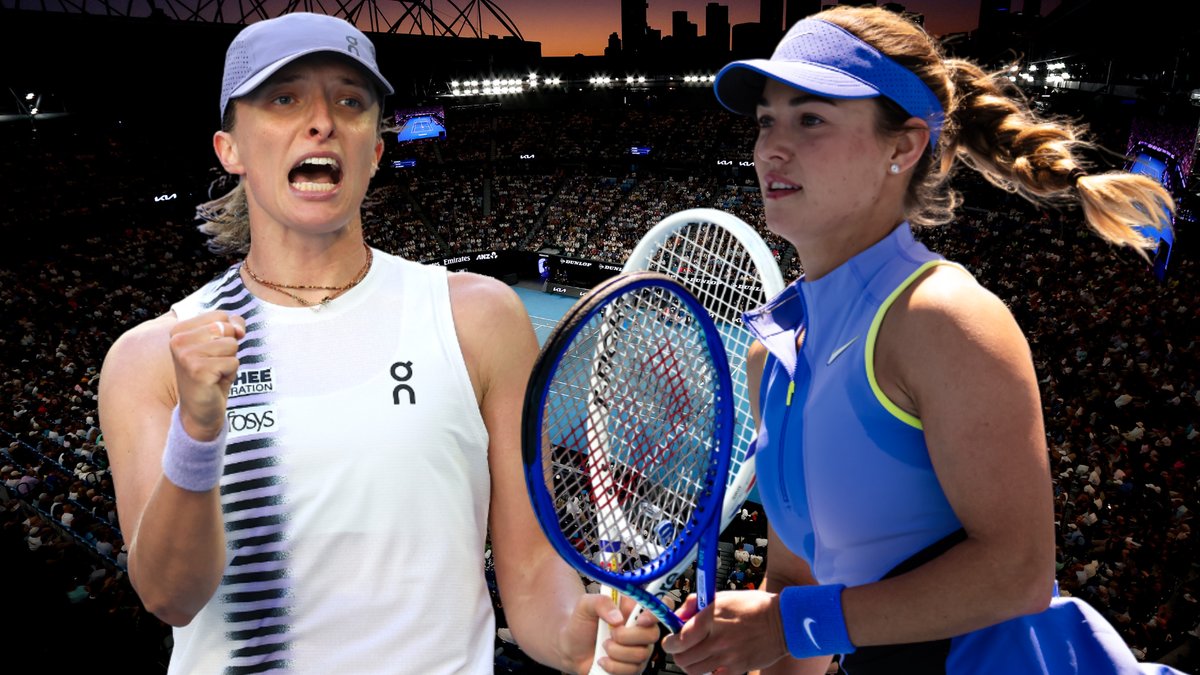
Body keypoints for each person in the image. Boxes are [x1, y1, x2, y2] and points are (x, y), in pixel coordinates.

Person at [98, 12, 658, 674]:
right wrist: (196, 432)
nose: (322, 120)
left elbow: (533, 571)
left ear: (374, 148)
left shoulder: (479, 319)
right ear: (231, 149)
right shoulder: (147, 359)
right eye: (284, 98)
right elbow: (169, 596)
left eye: (351, 100)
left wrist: (580, 637)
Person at [661, 7, 1185, 675]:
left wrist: (791, 623)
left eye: (810, 118)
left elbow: (1017, 572)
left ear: (902, 147)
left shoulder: (945, 318)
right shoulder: (772, 353)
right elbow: (793, 591)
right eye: (767, 120)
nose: (770, 148)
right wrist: (748, 641)